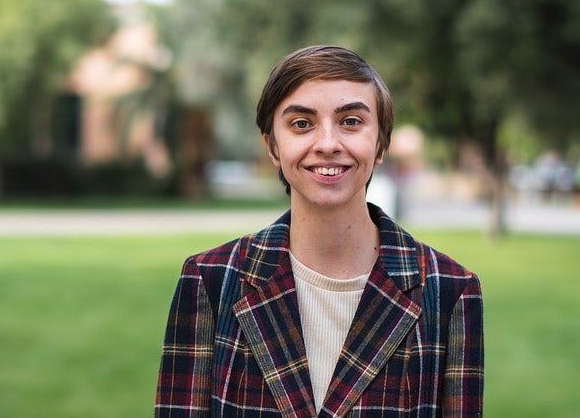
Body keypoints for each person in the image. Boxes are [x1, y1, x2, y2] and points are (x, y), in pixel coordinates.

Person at [155, 45, 484, 417]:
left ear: (380, 144)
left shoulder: (449, 291)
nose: (328, 144)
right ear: (273, 147)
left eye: (351, 122)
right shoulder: (211, 281)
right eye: (301, 124)